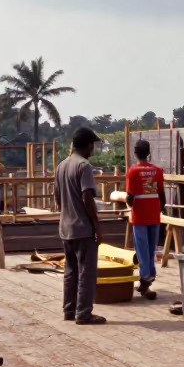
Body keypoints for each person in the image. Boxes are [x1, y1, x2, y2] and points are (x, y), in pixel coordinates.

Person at [56, 127, 106, 325]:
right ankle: (84, 313)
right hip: (82, 228)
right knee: (87, 271)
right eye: (92, 144)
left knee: (71, 271)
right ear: (88, 145)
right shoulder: (84, 166)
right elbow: (87, 197)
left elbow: (57, 200)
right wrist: (96, 224)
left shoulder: (61, 166)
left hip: (65, 228)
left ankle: (69, 310)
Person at [125, 139, 164, 299]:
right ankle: (148, 279)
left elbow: (129, 197)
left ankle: (145, 280)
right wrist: (159, 209)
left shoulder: (133, 171)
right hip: (154, 214)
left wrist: (129, 206)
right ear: (149, 153)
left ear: (135, 153)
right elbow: (162, 195)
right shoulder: (157, 171)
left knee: (142, 250)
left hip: (140, 216)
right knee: (151, 249)